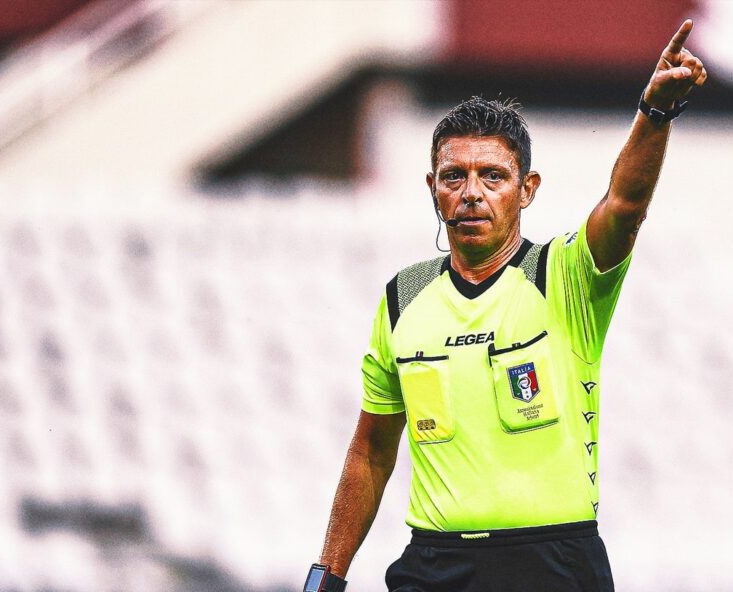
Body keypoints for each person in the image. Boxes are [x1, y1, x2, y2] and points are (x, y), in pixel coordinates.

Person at [302, 19, 707, 592]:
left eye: (492, 176)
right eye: (455, 176)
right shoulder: (403, 298)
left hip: (552, 562)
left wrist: (655, 113)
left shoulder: (564, 275)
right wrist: (327, 575)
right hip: (436, 564)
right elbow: (371, 451)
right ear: (432, 188)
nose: (471, 193)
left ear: (527, 189)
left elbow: (624, 205)